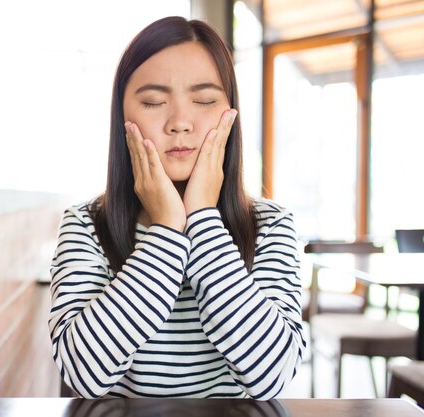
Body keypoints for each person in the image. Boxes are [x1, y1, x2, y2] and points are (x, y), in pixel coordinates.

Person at [48, 16, 305, 399]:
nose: (180, 123)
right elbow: (84, 376)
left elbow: (272, 378)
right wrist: (167, 229)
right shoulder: (86, 225)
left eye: (204, 100)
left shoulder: (271, 225)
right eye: (153, 101)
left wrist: (202, 217)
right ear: (122, 116)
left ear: (231, 113)